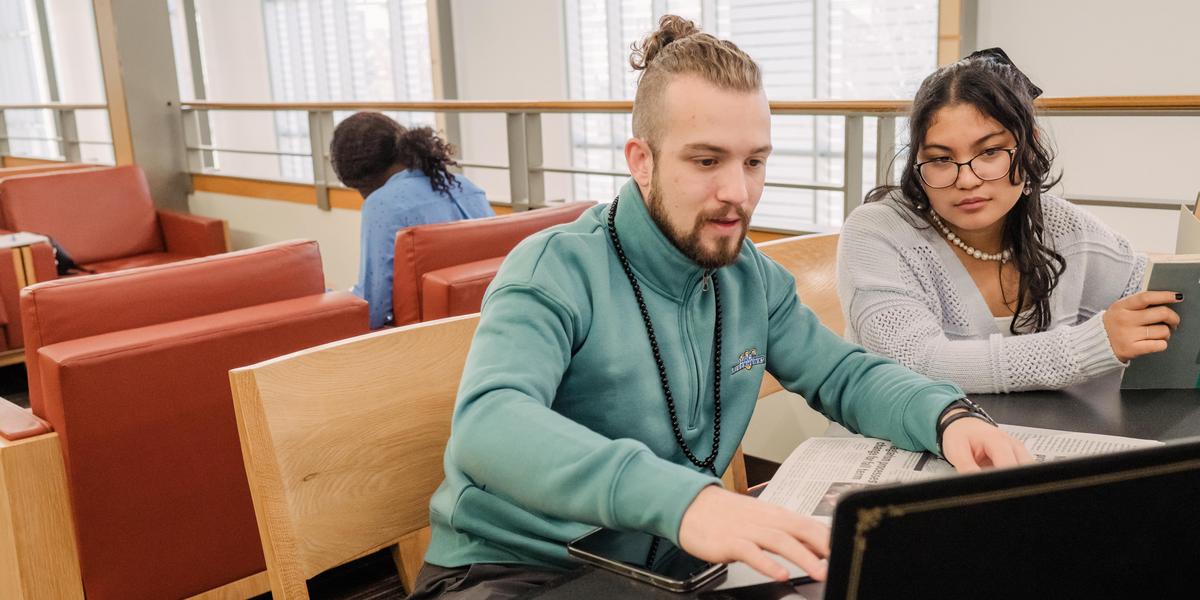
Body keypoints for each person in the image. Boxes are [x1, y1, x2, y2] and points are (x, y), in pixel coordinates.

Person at [407, 19, 1031, 600]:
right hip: (512, 572)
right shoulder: (556, 267)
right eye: (706, 161)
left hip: (661, 573)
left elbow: (843, 374)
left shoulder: (748, 275)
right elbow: (490, 423)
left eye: (754, 161)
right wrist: (687, 504)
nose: (737, 192)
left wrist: (948, 417)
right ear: (642, 162)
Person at [837, 48, 1182, 394]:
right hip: (908, 443)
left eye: (989, 152)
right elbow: (917, 363)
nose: (967, 180)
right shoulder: (877, 231)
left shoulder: (1057, 224)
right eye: (941, 159)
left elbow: (1146, 289)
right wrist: (1092, 345)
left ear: (1029, 145)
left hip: (1037, 439)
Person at [330, 112, 494, 328]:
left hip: (422, 339)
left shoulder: (382, 204)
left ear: (360, 178)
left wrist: (333, 299)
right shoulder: (466, 187)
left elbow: (373, 312)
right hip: (485, 324)